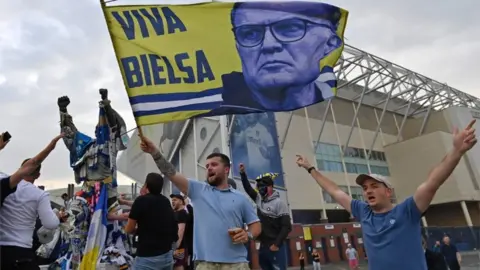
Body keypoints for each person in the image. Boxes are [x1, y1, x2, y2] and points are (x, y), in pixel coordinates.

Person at [295, 119, 477, 270]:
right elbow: (334, 191)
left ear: (388, 191)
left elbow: (432, 183)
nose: (368, 191)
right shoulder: (363, 212)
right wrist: (310, 168)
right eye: (365, 188)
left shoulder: (407, 212)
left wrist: (456, 151)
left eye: (374, 186)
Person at [139, 135, 261, 270]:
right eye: (207, 166)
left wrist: (247, 234)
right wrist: (155, 153)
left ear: (226, 170)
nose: (208, 168)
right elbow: (170, 172)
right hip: (204, 264)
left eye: (214, 165)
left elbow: (256, 225)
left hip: (236, 264)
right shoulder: (198, 190)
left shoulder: (241, 198)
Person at [218, 2, 342, 113]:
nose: (268, 45)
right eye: (250, 34)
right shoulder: (218, 107)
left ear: (329, 43)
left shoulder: (336, 108)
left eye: (290, 28)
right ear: (238, 48)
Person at [0, 134, 66, 270]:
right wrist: (58, 217)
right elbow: (50, 223)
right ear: (38, 175)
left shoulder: (4, 182)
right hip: (21, 251)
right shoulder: (39, 194)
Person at [239, 164, 291, 270]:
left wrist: (276, 244)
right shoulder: (259, 200)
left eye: (264, 186)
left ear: (271, 187)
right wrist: (243, 174)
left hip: (276, 247)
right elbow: (248, 189)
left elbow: (286, 227)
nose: (261, 189)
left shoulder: (279, 203)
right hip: (263, 247)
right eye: (259, 187)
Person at [125, 172, 178, 270]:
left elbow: (129, 229)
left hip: (147, 257)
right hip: (166, 255)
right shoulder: (165, 201)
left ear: (146, 185)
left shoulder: (140, 201)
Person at [171, 193, 189, 270]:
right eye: (172, 200)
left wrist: (175, 248)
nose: (172, 202)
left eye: (175, 200)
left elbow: (180, 231)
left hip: (179, 248)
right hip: (176, 247)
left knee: (178, 267)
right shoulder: (176, 213)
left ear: (181, 202)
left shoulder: (181, 213)